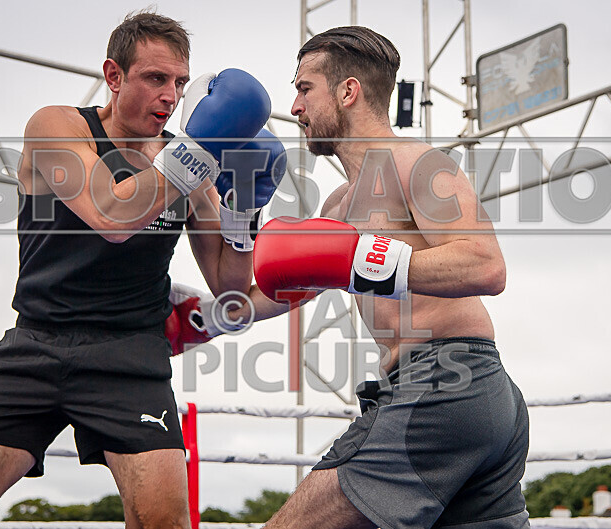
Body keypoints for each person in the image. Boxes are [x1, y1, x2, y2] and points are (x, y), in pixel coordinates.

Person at [0, 11, 282, 528]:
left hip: (130, 355)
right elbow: (112, 217)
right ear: (114, 77)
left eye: (180, 83)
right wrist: (193, 158)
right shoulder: (58, 126)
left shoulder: (189, 168)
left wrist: (242, 214)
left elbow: (228, 287)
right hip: (36, 343)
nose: (171, 96)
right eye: (155, 78)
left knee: (164, 522)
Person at [196, 25, 528, 529]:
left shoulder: (417, 163)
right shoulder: (338, 207)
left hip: (446, 383)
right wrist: (205, 306)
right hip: (452, 397)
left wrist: (365, 261)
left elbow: (486, 265)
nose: (296, 106)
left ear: (348, 91)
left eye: (305, 88)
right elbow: (262, 295)